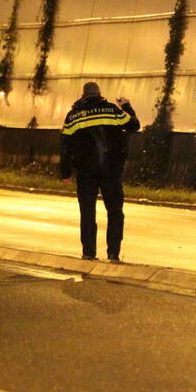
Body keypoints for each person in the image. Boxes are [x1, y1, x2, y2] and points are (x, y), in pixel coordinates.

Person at [60, 81, 140, 262]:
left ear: (83, 95)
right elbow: (134, 125)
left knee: (87, 212)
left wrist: (66, 173)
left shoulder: (73, 116)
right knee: (115, 211)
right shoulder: (112, 110)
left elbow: (65, 146)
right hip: (111, 170)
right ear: (99, 94)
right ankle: (113, 253)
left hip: (85, 172)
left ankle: (89, 253)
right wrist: (126, 105)